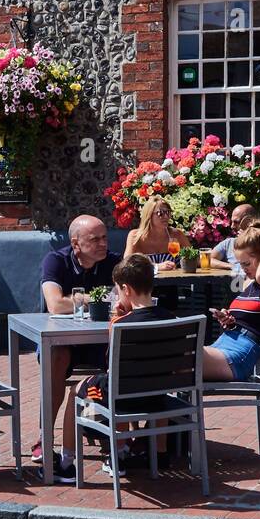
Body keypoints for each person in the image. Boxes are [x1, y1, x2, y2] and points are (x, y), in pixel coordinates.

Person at [74, 253, 176, 476]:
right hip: (159, 396)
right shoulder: (172, 319)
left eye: (117, 290)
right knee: (154, 381)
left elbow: (113, 369)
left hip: (124, 399)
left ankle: (115, 449)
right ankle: (159, 452)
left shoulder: (119, 324)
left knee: (82, 388)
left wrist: (116, 319)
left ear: (126, 289)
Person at [39, 214, 121, 482]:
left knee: (119, 355)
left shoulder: (113, 262)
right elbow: (55, 304)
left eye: (104, 238)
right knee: (57, 357)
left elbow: (124, 300)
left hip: (98, 341)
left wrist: (76, 300)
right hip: (62, 340)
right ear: (76, 244)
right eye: (94, 239)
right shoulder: (56, 261)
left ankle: (118, 439)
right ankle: (45, 438)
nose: (102, 244)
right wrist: (96, 298)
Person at [202, 221, 260, 383]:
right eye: (240, 264)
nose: (242, 269)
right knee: (174, 356)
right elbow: (252, 321)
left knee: (180, 353)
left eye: (246, 263)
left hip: (240, 354)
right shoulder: (248, 283)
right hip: (222, 344)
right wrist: (229, 321)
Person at [123, 199, 192, 268]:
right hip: (146, 278)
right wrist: (156, 266)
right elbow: (127, 262)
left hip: (174, 278)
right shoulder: (135, 236)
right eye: (160, 213)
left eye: (168, 212)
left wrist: (202, 257)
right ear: (149, 215)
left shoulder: (177, 234)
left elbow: (193, 258)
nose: (166, 216)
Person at [210, 203, 258, 269]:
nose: (232, 226)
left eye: (236, 222)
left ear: (249, 221)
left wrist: (249, 241)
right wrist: (231, 266)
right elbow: (209, 260)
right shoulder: (228, 243)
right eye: (232, 222)